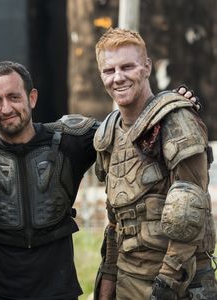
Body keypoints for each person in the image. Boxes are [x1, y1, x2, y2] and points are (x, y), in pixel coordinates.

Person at [0, 60, 99, 299]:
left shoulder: (70, 141)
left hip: (57, 292)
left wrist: (172, 102)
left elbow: (128, 128)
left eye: (14, 97)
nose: (6, 108)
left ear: (32, 98)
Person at [93, 28, 217, 300]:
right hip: (128, 280)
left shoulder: (176, 120)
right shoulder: (108, 133)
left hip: (178, 283)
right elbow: (117, 221)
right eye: (109, 70)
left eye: (127, 66)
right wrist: (107, 282)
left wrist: (166, 286)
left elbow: (189, 218)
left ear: (146, 66)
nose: (118, 77)